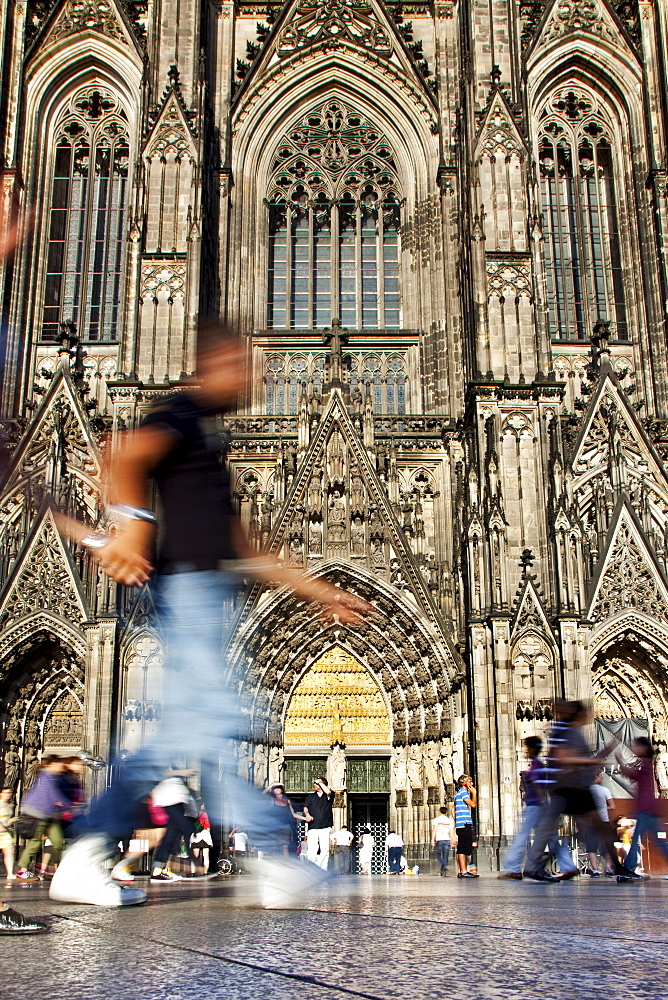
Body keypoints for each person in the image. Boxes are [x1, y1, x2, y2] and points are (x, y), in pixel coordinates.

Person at [50, 323, 371, 908]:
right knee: (213, 725)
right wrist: (130, 526)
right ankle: (272, 855)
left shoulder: (206, 440)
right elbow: (121, 455)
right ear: (214, 364)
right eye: (244, 365)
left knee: (196, 731)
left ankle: (100, 848)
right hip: (190, 595)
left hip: (209, 594)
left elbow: (245, 550)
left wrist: (318, 590)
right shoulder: (178, 414)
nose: (255, 378)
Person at [523, 700, 635, 882]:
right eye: (584, 714)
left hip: (574, 788)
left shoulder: (572, 732)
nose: (586, 717)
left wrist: (607, 750)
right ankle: (536, 867)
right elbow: (562, 758)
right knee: (584, 830)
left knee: (590, 830)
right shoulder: (566, 732)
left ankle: (618, 867)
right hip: (570, 789)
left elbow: (576, 759)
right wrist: (592, 762)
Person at [498, 736, 574, 880]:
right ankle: (569, 867)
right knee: (551, 837)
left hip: (535, 806)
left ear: (532, 748)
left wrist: (542, 801)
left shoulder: (536, 765)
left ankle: (514, 868)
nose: (525, 751)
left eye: (527, 748)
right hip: (539, 805)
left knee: (522, 835)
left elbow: (539, 786)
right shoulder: (538, 764)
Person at [617, 737, 668, 878]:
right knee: (660, 842)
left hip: (646, 808)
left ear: (644, 748)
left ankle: (628, 869)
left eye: (637, 746)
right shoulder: (646, 763)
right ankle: (629, 868)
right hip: (649, 808)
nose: (634, 749)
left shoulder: (645, 763)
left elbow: (634, 776)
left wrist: (621, 763)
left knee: (636, 841)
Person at [15, 756, 68, 882]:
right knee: (35, 843)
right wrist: (68, 805)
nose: (61, 767)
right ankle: (22, 870)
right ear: (51, 764)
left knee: (58, 841)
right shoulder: (45, 777)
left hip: (49, 815)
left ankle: (55, 868)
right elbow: (53, 795)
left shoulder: (52, 777)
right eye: (58, 764)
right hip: (38, 814)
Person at [150, 770, 203, 882]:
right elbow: (158, 772)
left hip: (176, 799)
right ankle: (196, 863)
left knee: (170, 836)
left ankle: (157, 871)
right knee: (187, 828)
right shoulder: (164, 760)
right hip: (169, 799)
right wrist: (183, 772)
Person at [585, 769, 615, 877]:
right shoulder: (605, 790)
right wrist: (603, 807)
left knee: (591, 847)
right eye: (601, 776)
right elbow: (612, 806)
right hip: (604, 821)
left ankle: (595, 871)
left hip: (590, 823)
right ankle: (608, 869)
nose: (602, 778)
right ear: (596, 777)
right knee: (607, 847)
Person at [303, 778, 334, 870]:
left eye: (316, 783)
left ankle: (323, 868)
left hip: (325, 825)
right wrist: (307, 815)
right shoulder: (310, 797)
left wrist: (320, 783)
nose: (314, 785)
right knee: (312, 848)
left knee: (325, 849)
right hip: (313, 825)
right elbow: (305, 808)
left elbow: (328, 792)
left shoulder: (328, 796)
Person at [454, 775, 479, 878]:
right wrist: (474, 793)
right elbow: (473, 804)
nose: (472, 784)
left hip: (461, 823)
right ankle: (464, 871)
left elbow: (453, 808)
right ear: (464, 783)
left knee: (461, 847)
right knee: (463, 848)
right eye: (470, 782)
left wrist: (456, 819)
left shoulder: (458, 794)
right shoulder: (463, 793)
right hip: (464, 823)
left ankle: (461, 870)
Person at [431, 805, 455, 876]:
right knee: (445, 855)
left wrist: (432, 839)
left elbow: (434, 830)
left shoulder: (436, 819)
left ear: (440, 812)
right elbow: (451, 831)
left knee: (438, 855)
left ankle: (445, 865)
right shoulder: (449, 820)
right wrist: (452, 840)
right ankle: (443, 871)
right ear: (446, 812)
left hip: (440, 839)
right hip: (447, 839)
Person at [0, 788, 16, 880]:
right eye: (5, 792)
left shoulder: (9, 805)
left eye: (9, 792)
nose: (8, 794)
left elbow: (7, 819)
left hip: (6, 831)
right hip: (1, 829)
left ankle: (10, 873)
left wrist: (12, 820)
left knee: (9, 850)